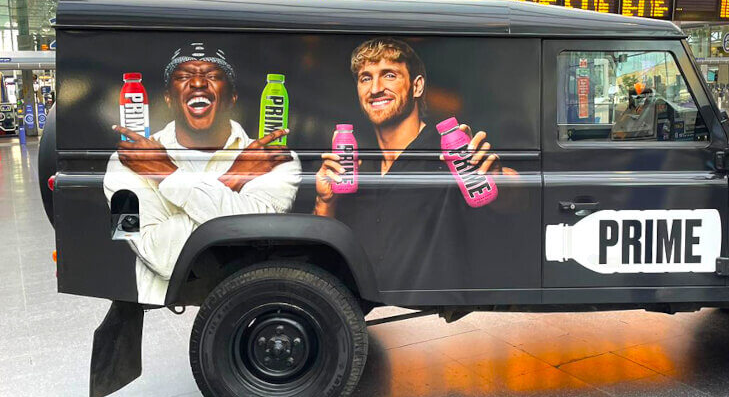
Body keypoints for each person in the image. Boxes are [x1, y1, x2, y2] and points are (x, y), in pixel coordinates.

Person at [103, 43, 301, 304]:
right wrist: (234, 178)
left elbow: (256, 238)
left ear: (232, 97)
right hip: (158, 316)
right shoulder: (121, 164)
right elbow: (159, 258)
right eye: (184, 76)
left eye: (212, 75)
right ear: (168, 97)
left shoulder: (276, 160)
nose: (197, 83)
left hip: (246, 311)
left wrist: (168, 176)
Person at [313, 37, 517, 282]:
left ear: (417, 86)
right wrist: (325, 200)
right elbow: (321, 261)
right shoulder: (354, 166)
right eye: (365, 78)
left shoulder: (448, 152)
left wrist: (498, 180)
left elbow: (518, 198)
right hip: (371, 315)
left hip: (433, 316)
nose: (375, 88)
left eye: (389, 75)